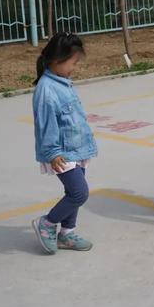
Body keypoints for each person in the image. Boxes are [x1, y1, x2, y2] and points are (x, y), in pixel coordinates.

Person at [31, 32, 97, 254]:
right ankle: (47, 223)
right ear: (56, 60)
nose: (74, 67)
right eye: (73, 63)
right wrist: (52, 152)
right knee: (80, 193)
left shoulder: (63, 82)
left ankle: (66, 234)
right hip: (62, 153)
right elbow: (46, 125)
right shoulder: (46, 89)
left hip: (77, 148)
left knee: (73, 194)